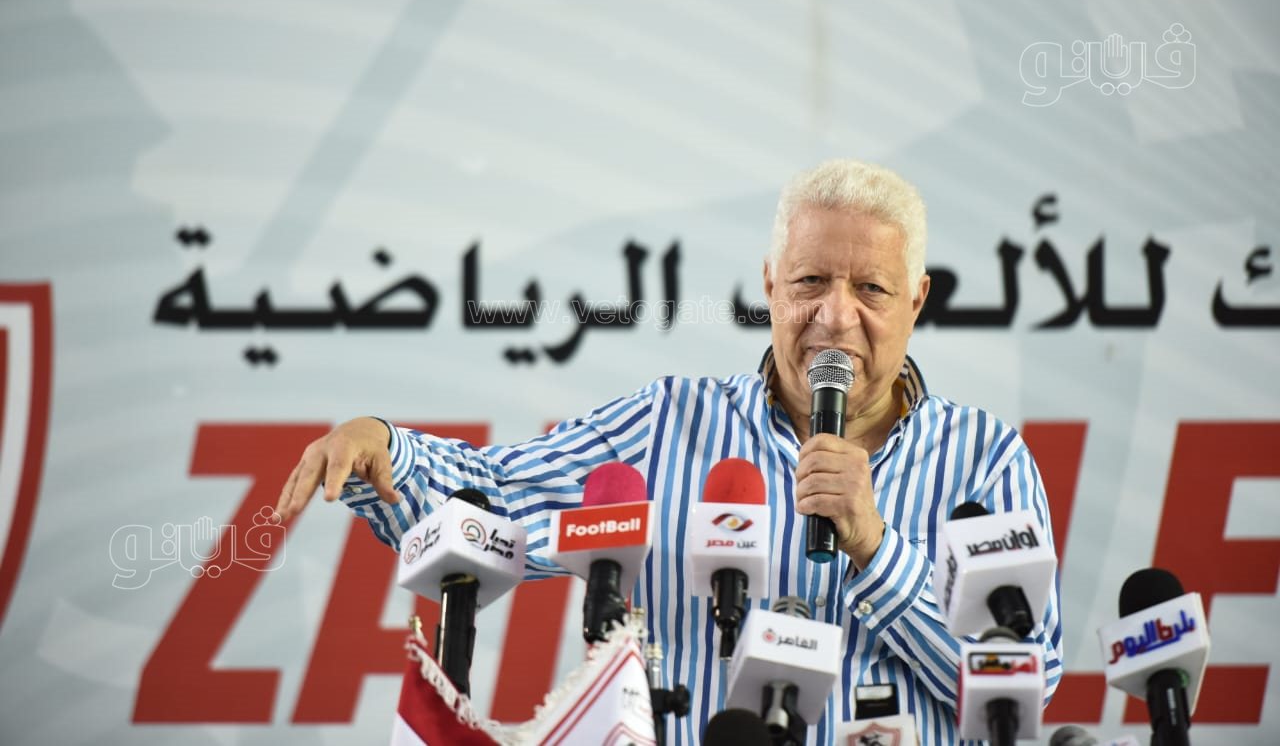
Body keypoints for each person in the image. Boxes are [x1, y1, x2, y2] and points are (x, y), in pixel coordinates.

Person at [275, 160, 1063, 744]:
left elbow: (1027, 682)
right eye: (810, 281)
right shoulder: (668, 426)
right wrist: (386, 446)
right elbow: (495, 502)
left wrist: (877, 549)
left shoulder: (985, 460)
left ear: (917, 299)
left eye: (872, 290)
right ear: (770, 285)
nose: (835, 315)